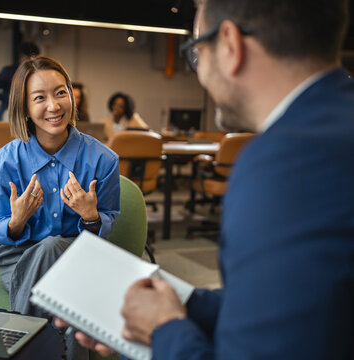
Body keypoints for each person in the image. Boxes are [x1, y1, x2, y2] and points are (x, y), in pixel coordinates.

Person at [58, 0, 354, 359]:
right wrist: (185, 303)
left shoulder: (284, 164)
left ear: (229, 43)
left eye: (195, 54)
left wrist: (164, 329)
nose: (199, 73)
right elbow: (305, 304)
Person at [0, 55, 120, 319]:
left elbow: (107, 224)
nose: (54, 106)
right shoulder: (1, 164)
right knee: (52, 260)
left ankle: (20, 336)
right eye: (39, 98)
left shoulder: (104, 160)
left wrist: (91, 217)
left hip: (80, 257)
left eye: (61, 93)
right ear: (24, 108)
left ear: (72, 96)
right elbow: (0, 229)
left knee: (52, 248)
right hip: (19, 258)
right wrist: (17, 221)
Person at [0, 42, 40, 121]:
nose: (33, 62)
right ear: (21, 57)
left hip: (29, 114)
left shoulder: (36, 73)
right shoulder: (8, 71)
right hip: (8, 113)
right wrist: (10, 97)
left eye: (35, 59)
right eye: (30, 58)